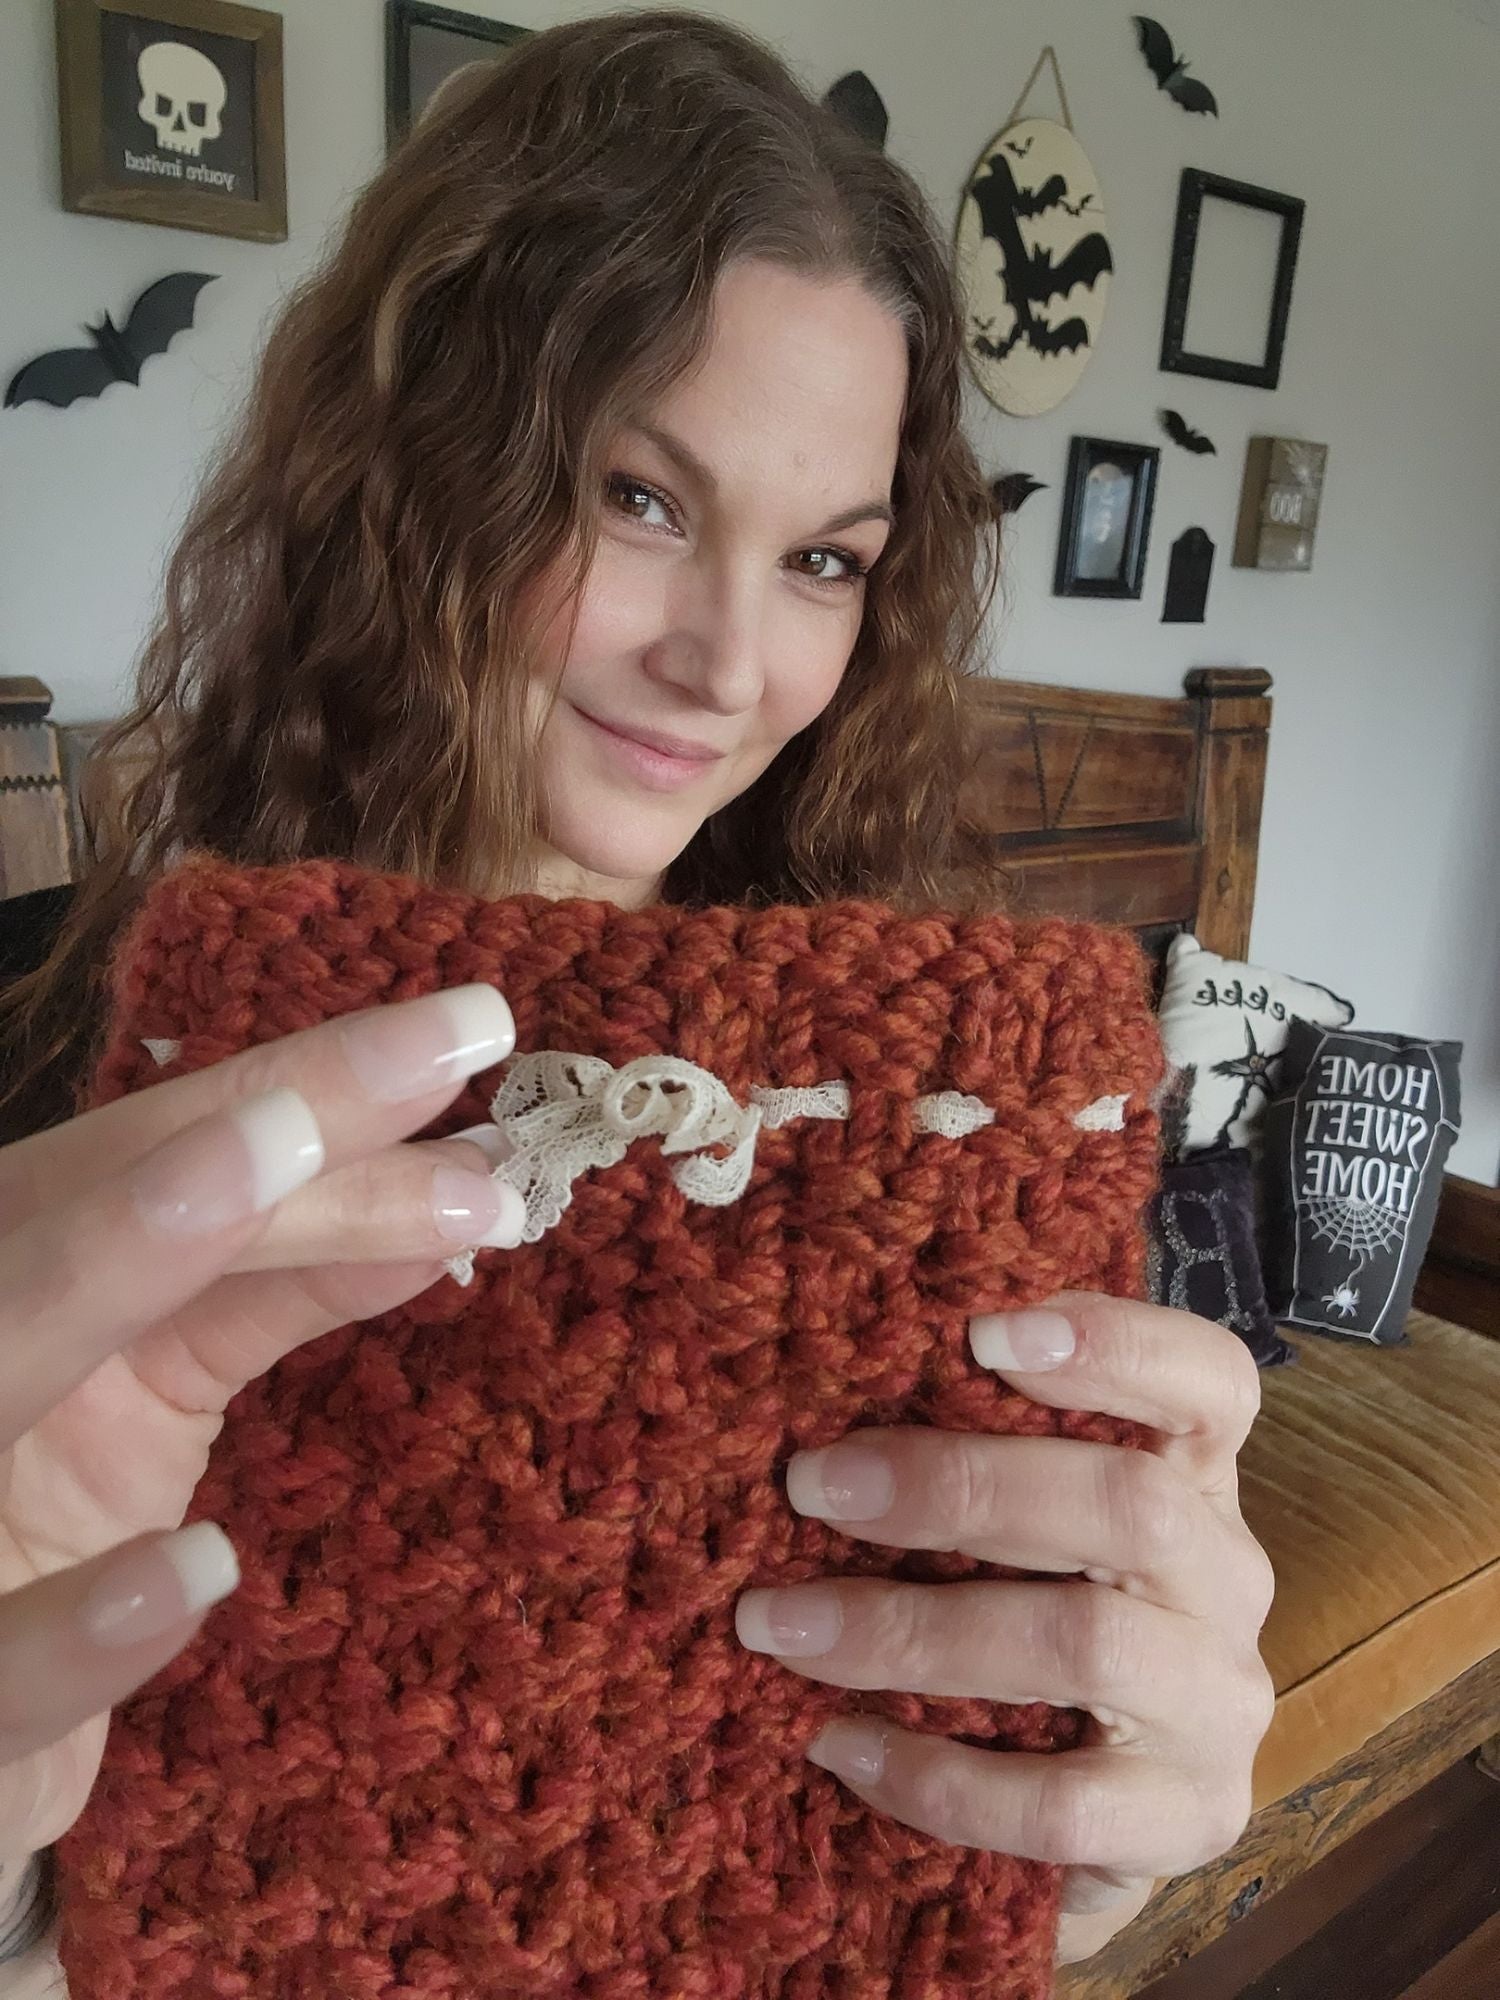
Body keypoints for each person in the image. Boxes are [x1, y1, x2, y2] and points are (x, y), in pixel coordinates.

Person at [0, 9, 1277, 1981]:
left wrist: (1079, 1817)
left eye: (827, 559)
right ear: (416, 471)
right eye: (640, 499)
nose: (731, 665)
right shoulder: (56, 1070)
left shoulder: (905, 1135)